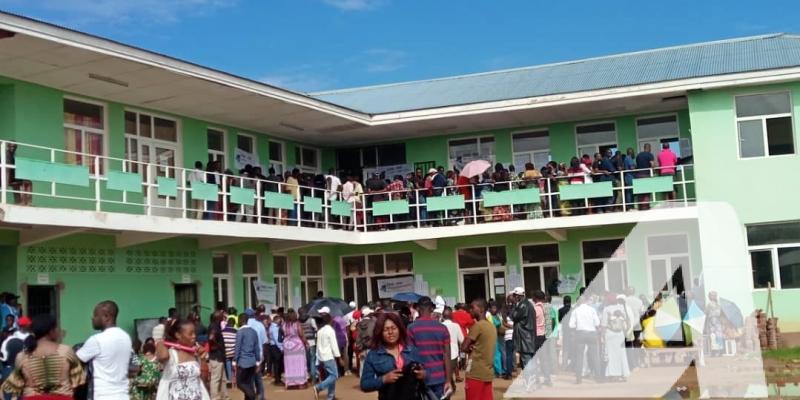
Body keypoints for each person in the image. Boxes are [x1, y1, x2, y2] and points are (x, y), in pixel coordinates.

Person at [0, 314, 84, 399]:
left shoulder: (23, 356)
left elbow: (13, 386)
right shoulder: (66, 351)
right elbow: (78, 381)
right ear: (51, 331)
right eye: (56, 328)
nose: (59, 331)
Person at [360, 312, 426, 400]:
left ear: (399, 329)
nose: (390, 332)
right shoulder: (374, 355)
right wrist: (383, 379)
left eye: (393, 328)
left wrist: (423, 375)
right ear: (380, 332)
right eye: (386, 329)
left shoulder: (412, 350)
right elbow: (365, 384)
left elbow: (427, 373)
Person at [77, 301, 133, 400]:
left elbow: (75, 360)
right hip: (123, 395)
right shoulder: (126, 337)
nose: (92, 318)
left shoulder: (97, 340)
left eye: (95, 315)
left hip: (103, 395)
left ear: (106, 316)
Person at [406, 297, 451, 399]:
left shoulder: (411, 328)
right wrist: (448, 380)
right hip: (440, 377)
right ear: (431, 309)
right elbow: (447, 355)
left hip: (420, 378)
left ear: (418, 309)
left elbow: (409, 356)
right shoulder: (442, 328)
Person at [154, 319, 209, 400]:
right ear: (178, 335)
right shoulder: (171, 354)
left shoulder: (195, 354)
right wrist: (161, 341)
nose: (194, 336)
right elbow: (162, 357)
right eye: (190, 334)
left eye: (194, 333)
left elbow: (203, 380)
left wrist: (203, 358)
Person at [461, 299, 495, 400]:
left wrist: (469, 348)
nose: (469, 310)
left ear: (481, 309)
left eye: (472, 308)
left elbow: (463, 347)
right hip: (487, 372)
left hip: (475, 372)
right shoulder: (491, 326)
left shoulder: (477, 326)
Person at [568, 294, 600, 384]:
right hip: (592, 333)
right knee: (595, 356)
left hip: (580, 334)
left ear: (578, 301)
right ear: (585, 301)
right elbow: (597, 323)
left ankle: (579, 379)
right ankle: (598, 377)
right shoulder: (592, 310)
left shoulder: (575, 311)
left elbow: (571, 325)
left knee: (579, 356)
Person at [313, 308, 343, 400]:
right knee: (334, 376)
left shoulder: (320, 331)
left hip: (322, 357)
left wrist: (318, 359)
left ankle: (331, 396)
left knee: (330, 376)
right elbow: (334, 346)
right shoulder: (330, 330)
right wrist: (339, 358)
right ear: (330, 320)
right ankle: (319, 387)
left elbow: (317, 346)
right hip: (329, 356)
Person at [601, 296, 631, 381]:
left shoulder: (606, 309)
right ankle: (623, 374)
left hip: (610, 333)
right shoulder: (622, 308)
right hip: (620, 334)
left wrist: (602, 336)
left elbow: (603, 324)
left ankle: (614, 375)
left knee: (611, 355)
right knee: (622, 355)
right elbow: (627, 323)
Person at [233, 314, 260, 400]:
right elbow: (257, 347)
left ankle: (252, 396)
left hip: (243, 362)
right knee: (248, 383)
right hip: (252, 362)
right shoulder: (253, 331)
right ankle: (249, 397)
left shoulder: (240, 332)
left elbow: (237, 347)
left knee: (240, 383)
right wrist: (258, 361)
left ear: (240, 321)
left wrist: (234, 361)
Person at [509, 287, 535, 374]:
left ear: (518, 296)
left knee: (526, 361)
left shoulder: (523, 305)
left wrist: (513, 305)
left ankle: (530, 383)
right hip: (526, 336)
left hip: (525, 337)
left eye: (514, 295)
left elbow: (513, 316)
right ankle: (531, 383)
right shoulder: (526, 304)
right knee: (526, 360)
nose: (512, 297)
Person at [280, 309, 308, 388]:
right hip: (297, 345)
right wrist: (306, 343)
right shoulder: (297, 324)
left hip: (287, 346)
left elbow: (284, 334)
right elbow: (301, 334)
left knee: (289, 364)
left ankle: (290, 383)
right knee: (299, 363)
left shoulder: (284, 325)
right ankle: (300, 383)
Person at [440, 307, 464, 389]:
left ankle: (450, 386)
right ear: (452, 316)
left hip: (442, 353)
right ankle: (451, 386)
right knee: (450, 371)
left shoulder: (440, 325)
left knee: (446, 372)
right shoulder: (456, 326)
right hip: (453, 353)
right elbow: (461, 340)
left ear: (443, 316)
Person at [206, 311, 227, 400]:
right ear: (217, 317)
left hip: (220, 356)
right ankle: (215, 397)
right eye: (222, 316)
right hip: (216, 356)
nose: (223, 317)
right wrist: (218, 346)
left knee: (223, 379)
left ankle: (225, 396)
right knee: (216, 379)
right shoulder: (214, 326)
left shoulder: (216, 326)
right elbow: (211, 338)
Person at [298, 309, 318, 384]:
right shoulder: (311, 320)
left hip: (302, 343)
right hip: (311, 342)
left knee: (305, 360)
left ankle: (307, 376)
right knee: (312, 360)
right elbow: (316, 329)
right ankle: (313, 378)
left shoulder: (298, 321)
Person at [635, 143, 655, 210]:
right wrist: (653, 171)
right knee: (647, 191)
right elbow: (652, 165)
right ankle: (646, 206)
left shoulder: (638, 155)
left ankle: (640, 207)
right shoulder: (649, 155)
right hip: (646, 175)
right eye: (650, 148)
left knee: (640, 191)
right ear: (648, 148)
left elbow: (637, 165)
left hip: (638, 175)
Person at [267, 315, 284, 385]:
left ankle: (278, 379)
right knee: (277, 364)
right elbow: (277, 339)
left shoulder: (272, 327)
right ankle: (277, 380)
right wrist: (281, 348)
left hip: (273, 346)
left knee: (277, 363)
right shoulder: (274, 328)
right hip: (276, 347)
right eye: (280, 320)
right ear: (277, 320)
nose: (280, 322)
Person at [220, 318, 237, 383]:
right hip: (234, 352)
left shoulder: (222, 331)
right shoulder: (236, 331)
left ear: (227, 324)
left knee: (227, 363)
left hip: (226, 352)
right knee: (234, 364)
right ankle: (235, 379)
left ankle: (229, 379)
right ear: (234, 324)